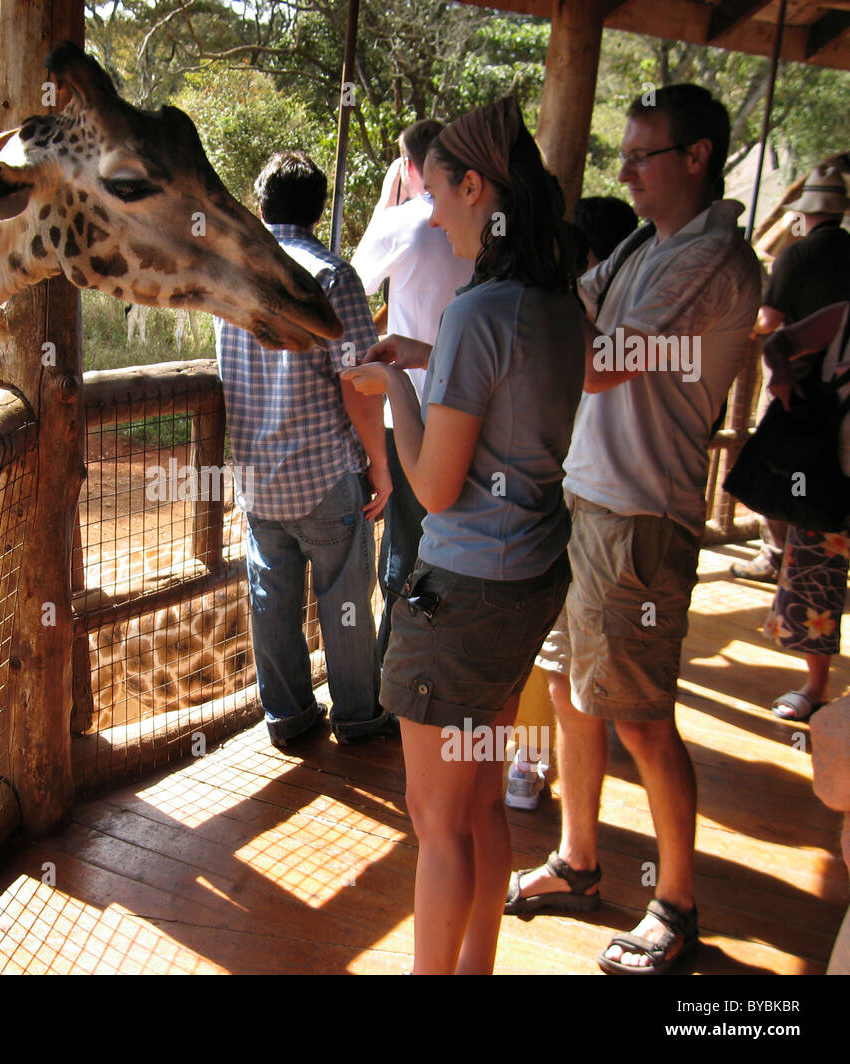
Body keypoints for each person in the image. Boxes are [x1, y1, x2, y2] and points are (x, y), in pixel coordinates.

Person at [507, 84, 762, 975]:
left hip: (643, 519)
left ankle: (678, 903)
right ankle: (579, 861)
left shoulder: (716, 259)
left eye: (642, 154)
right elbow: (561, 315)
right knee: (576, 695)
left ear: (696, 158)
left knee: (645, 718)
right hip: (592, 504)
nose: (625, 171)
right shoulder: (644, 252)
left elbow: (605, 363)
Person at [343, 96, 586, 974]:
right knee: (481, 803)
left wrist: (394, 392)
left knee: (437, 822)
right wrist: (423, 356)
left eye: (437, 193)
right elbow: (510, 409)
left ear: (477, 187)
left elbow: (436, 489)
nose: (430, 211)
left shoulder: (482, 313)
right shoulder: (557, 302)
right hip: (527, 583)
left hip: (464, 594)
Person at [214, 149, 396, 748]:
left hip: (259, 481)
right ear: (318, 209)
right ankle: (358, 719)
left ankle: (289, 718)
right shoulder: (332, 278)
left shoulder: (230, 278)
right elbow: (360, 385)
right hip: (323, 475)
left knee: (272, 602)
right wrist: (380, 464)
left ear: (259, 202)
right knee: (345, 602)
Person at [506, 193, 639, 812]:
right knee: (561, 651)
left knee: (548, 648)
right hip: (584, 493)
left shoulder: (569, 318)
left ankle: (527, 764)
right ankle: (533, 763)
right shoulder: (607, 313)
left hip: (568, 495)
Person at [352, 120, 473, 665]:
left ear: (409, 167)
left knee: (404, 550)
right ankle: (440, 659)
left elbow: (350, 284)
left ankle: (390, 673)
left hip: (412, 416)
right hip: (473, 412)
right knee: (453, 543)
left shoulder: (404, 222)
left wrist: (386, 203)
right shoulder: (484, 225)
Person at [732, 165, 850, 585]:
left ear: (806, 213)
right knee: (828, 467)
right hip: (842, 389)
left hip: (797, 377)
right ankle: (823, 549)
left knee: (780, 462)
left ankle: (779, 553)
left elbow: (768, 321)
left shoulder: (799, 255)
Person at [761, 299, 850, 720]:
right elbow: (780, 342)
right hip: (832, 472)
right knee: (814, 577)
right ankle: (817, 685)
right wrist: (781, 374)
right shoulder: (844, 315)